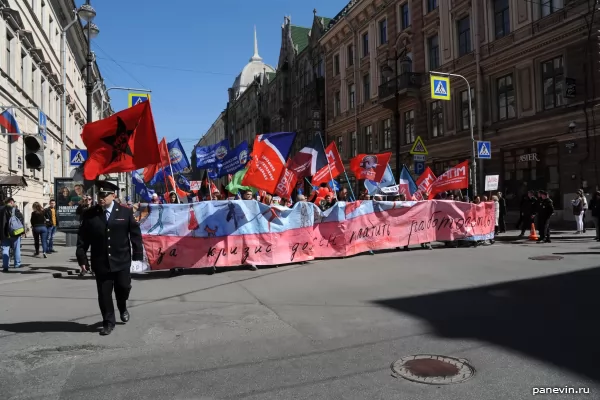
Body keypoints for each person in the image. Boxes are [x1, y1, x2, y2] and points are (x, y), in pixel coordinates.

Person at [76, 180, 143, 336]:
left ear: (113, 195)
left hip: (122, 260)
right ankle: (108, 322)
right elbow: (83, 239)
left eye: (105, 195)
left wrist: (138, 254)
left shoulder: (125, 212)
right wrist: (82, 258)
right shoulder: (90, 214)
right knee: (104, 294)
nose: (101, 198)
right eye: (99, 194)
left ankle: (122, 306)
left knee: (124, 287)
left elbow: (135, 234)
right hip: (101, 261)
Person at [1, 198, 24, 272]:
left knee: (5, 248)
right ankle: (17, 264)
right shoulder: (15, 210)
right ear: (11, 202)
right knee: (16, 248)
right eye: (14, 202)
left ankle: (5, 266)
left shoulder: (0, 209)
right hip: (14, 232)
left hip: (3, 233)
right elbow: (21, 220)